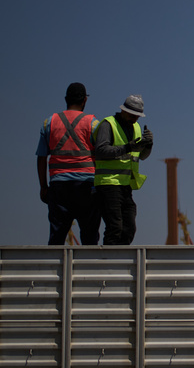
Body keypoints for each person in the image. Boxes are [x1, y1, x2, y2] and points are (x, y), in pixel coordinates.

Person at [36, 82, 102, 245]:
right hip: (87, 187)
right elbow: (102, 155)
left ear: (66, 99)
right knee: (89, 237)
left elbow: (41, 158)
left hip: (59, 187)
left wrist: (44, 187)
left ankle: (54, 270)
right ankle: (87, 269)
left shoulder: (49, 122)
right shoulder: (93, 123)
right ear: (85, 100)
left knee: (57, 237)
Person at [94, 94, 153, 245]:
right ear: (124, 111)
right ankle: (108, 264)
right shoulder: (108, 124)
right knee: (115, 227)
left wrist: (148, 145)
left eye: (138, 116)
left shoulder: (136, 128)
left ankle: (120, 261)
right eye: (133, 115)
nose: (135, 119)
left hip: (125, 186)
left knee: (129, 228)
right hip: (108, 184)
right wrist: (128, 147)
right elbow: (100, 151)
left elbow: (141, 156)